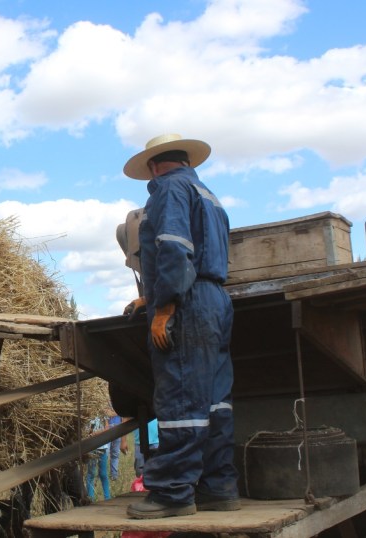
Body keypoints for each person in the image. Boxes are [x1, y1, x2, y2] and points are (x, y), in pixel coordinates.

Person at [122, 134, 240, 519]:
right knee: (214, 400)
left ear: (154, 166)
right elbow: (202, 249)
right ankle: (218, 487)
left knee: (182, 398)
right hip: (216, 300)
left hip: (186, 304)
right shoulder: (207, 194)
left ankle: (172, 494)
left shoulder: (169, 189)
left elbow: (174, 246)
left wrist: (164, 306)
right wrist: (150, 294)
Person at [84, 414, 112, 501]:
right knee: (91, 473)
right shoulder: (87, 414)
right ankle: (91, 498)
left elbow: (107, 428)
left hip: (102, 447)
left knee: (103, 473)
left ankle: (107, 497)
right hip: (91, 448)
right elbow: (86, 432)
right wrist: (91, 432)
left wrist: (96, 433)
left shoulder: (102, 414)